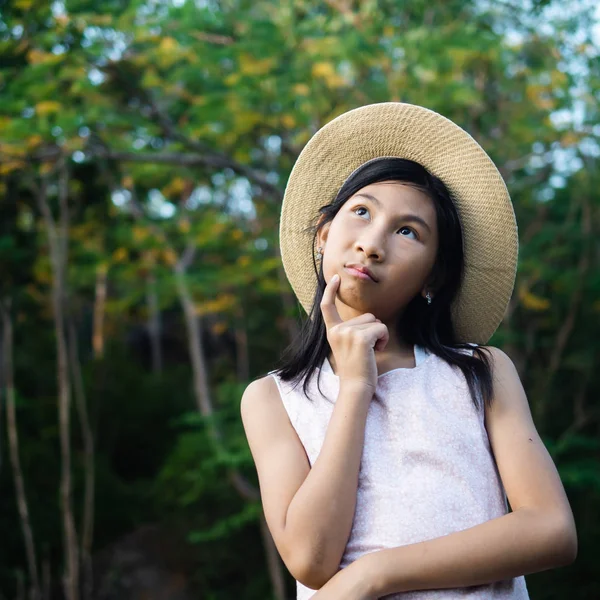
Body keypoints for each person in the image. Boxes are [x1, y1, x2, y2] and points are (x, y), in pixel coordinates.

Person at [240, 103, 577, 599]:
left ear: (433, 277)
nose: (372, 244)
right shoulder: (274, 398)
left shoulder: (479, 372)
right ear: (324, 235)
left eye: (407, 232)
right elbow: (310, 559)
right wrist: (355, 388)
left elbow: (551, 530)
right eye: (361, 212)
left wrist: (374, 574)